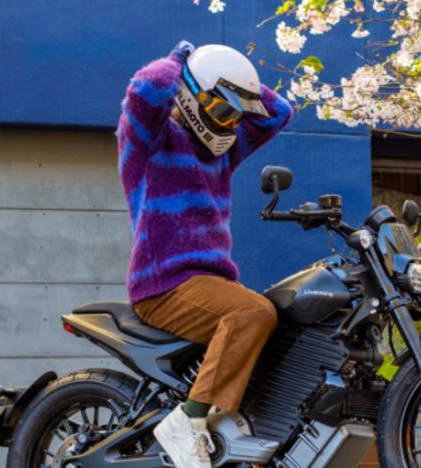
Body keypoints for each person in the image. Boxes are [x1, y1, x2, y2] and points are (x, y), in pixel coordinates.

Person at [116, 40, 293, 468]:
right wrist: (183, 63)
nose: (230, 122)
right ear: (190, 95)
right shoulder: (148, 144)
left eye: (236, 114)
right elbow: (144, 91)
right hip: (164, 284)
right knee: (253, 313)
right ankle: (187, 421)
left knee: (280, 321)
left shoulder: (221, 151)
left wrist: (237, 84)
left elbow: (279, 113)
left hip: (210, 285)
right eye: (222, 109)